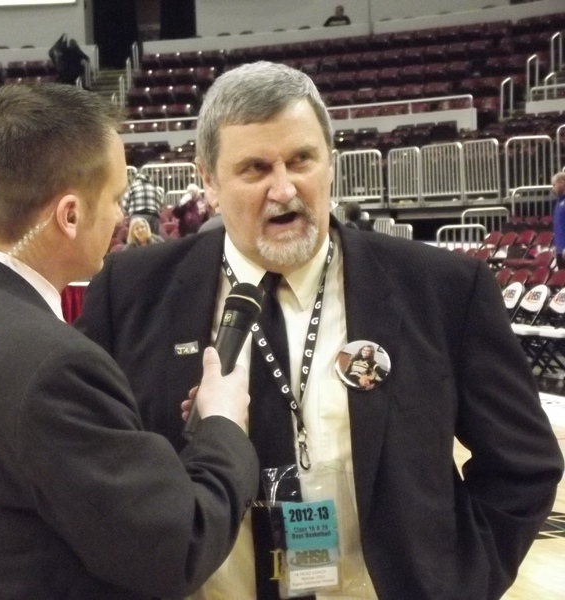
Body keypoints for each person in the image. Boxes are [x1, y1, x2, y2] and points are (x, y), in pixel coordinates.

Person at [77, 62, 564, 600]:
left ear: (329, 161)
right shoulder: (130, 292)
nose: (284, 188)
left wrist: (462, 579)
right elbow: (89, 473)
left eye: (301, 160)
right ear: (209, 181)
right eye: (255, 169)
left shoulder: (441, 288)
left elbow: (524, 464)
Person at [0, 83, 259, 600]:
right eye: (116, 198)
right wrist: (222, 427)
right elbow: (177, 547)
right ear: (70, 215)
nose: (121, 216)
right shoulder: (56, 367)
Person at [552, 171, 565, 269]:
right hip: (560, 249)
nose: (553, 188)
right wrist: (556, 246)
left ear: (562, 183)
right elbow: (558, 227)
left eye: (554, 185)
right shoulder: (558, 202)